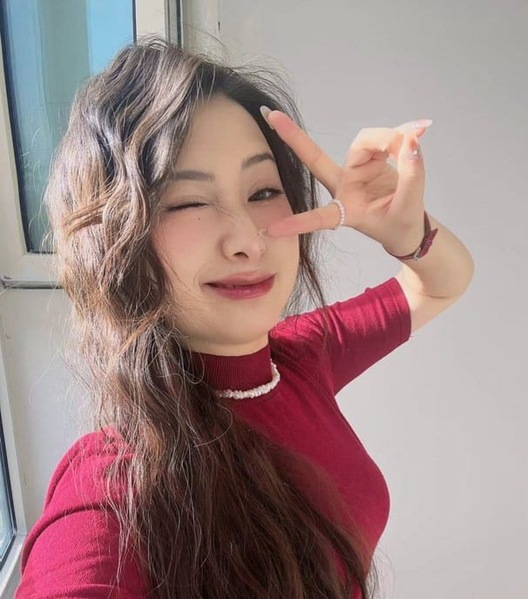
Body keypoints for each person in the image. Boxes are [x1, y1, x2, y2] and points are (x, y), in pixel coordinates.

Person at [15, 38, 474, 599]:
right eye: (187, 201)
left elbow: (443, 281)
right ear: (115, 239)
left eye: (263, 191)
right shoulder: (113, 484)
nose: (248, 241)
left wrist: (403, 231)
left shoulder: (300, 357)